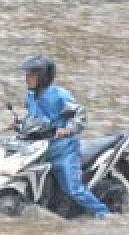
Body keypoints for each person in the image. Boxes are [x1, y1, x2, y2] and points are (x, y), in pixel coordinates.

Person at [16, 55, 109, 218]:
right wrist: (18, 124)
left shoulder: (60, 95)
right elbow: (32, 118)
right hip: (39, 148)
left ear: (43, 76)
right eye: (27, 75)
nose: (27, 78)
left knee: (73, 189)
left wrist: (68, 129)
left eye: (31, 75)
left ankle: (103, 213)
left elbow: (80, 116)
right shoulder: (30, 97)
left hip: (63, 150)